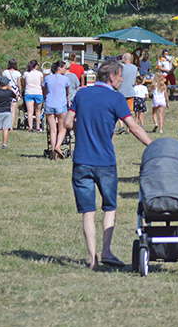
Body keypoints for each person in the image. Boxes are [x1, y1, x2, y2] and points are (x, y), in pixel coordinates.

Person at [63, 60, 151, 270]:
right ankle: (106, 251)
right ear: (111, 77)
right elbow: (134, 128)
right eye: (120, 76)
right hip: (105, 162)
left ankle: (92, 259)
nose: (122, 80)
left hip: (81, 161)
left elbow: (66, 122)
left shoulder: (82, 94)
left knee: (88, 211)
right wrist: (154, 146)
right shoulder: (116, 98)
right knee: (109, 207)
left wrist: (82, 127)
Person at [43, 61, 70, 159]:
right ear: (59, 68)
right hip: (61, 104)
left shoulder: (47, 78)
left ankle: (54, 155)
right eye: (64, 68)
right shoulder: (65, 79)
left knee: (53, 130)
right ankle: (58, 146)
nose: (65, 70)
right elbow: (67, 92)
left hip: (49, 104)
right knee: (62, 128)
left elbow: (44, 91)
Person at [23, 59, 44, 132]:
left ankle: (30, 127)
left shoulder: (26, 73)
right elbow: (41, 84)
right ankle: (38, 127)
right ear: (36, 66)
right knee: (38, 111)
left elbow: (24, 83)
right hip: (38, 92)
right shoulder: (40, 74)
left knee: (30, 111)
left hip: (28, 92)